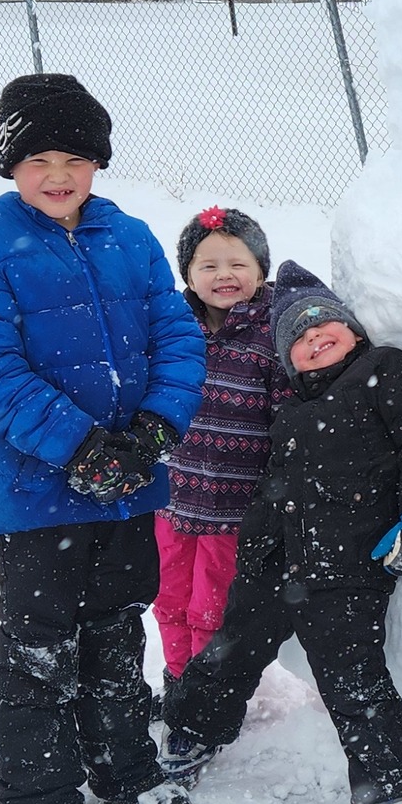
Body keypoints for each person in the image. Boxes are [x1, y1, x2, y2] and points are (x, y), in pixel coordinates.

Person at [0, 74, 207, 804]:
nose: (59, 175)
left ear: (97, 165)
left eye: (76, 158)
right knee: (40, 645)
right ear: (9, 162)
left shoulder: (132, 240)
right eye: (40, 157)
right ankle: (36, 793)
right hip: (32, 492)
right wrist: (79, 447)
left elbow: (177, 337)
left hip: (127, 491)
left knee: (117, 632)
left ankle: (122, 765)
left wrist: (154, 428)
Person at [162, 262, 402, 804]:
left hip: (348, 566)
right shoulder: (291, 412)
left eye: (326, 326)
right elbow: (273, 487)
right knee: (227, 652)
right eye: (298, 337)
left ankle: (401, 801)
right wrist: (257, 548)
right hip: (277, 560)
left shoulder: (384, 371)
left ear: (353, 331)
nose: (315, 337)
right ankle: (188, 732)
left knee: (353, 683)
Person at [154, 205, 289, 698]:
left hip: (237, 508)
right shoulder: (172, 328)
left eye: (238, 264)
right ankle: (176, 679)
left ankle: (204, 699)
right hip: (172, 498)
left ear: (261, 269)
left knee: (213, 608)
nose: (224, 276)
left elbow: (286, 417)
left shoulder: (275, 331)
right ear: (188, 274)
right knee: (168, 599)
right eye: (208, 266)